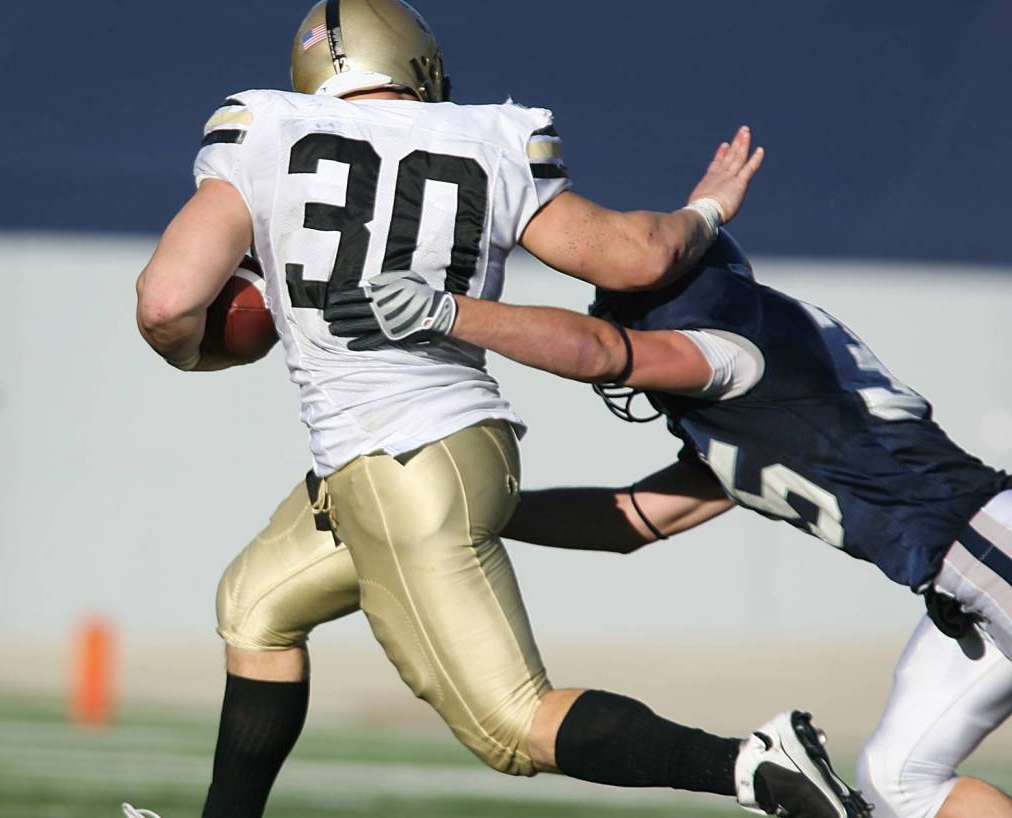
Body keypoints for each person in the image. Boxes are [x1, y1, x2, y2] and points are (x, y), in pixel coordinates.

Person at [134, 1, 864, 816]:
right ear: (414, 59)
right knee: (257, 605)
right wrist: (708, 210)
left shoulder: (263, 129)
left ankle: (757, 767)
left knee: (512, 726)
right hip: (447, 450)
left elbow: (167, 303)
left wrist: (204, 349)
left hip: (396, 462)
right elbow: (636, 257)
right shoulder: (491, 138)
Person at [328, 230, 1012, 818]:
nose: (621, 328)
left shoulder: (730, 354)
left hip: (983, 544)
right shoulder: (750, 409)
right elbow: (626, 520)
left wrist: (452, 314)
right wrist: (461, 509)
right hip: (964, 581)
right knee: (899, 783)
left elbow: (599, 352)